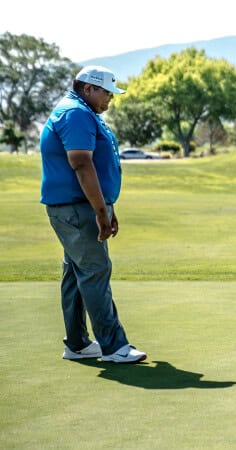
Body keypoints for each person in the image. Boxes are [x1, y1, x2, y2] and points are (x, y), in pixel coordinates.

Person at [40, 66, 146, 363]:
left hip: (80, 206)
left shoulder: (82, 113)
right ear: (88, 88)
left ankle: (78, 344)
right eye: (106, 92)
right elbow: (81, 164)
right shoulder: (76, 114)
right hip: (77, 208)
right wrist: (101, 211)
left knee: (76, 273)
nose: (110, 99)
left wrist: (107, 206)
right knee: (95, 271)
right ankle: (113, 346)